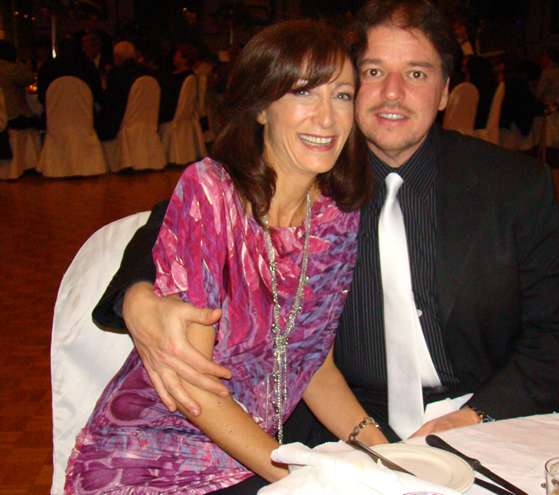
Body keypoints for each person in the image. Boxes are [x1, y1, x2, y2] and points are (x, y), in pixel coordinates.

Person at [93, 0, 559, 445]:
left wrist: (477, 417)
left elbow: (558, 330)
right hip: (343, 425)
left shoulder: (513, 186)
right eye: (373, 71)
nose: (392, 93)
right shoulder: (313, 173)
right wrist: (137, 295)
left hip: (482, 414)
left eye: (417, 74)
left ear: (444, 92)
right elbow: (184, 214)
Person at [66, 19, 385, 494]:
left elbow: (314, 367)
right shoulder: (212, 195)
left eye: (341, 95)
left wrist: (386, 455)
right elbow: (195, 389)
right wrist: (297, 479)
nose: (327, 118)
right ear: (262, 108)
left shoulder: (337, 216)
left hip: (250, 454)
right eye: (302, 92)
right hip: (151, 455)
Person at [96, 41, 154, 141]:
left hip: (124, 123)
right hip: (147, 122)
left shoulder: (117, 75)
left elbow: (112, 104)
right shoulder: (149, 72)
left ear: (117, 57)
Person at [158, 43, 196, 125]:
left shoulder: (187, 77)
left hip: (172, 119)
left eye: (176, 55)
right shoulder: (170, 74)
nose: (174, 58)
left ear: (184, 59)